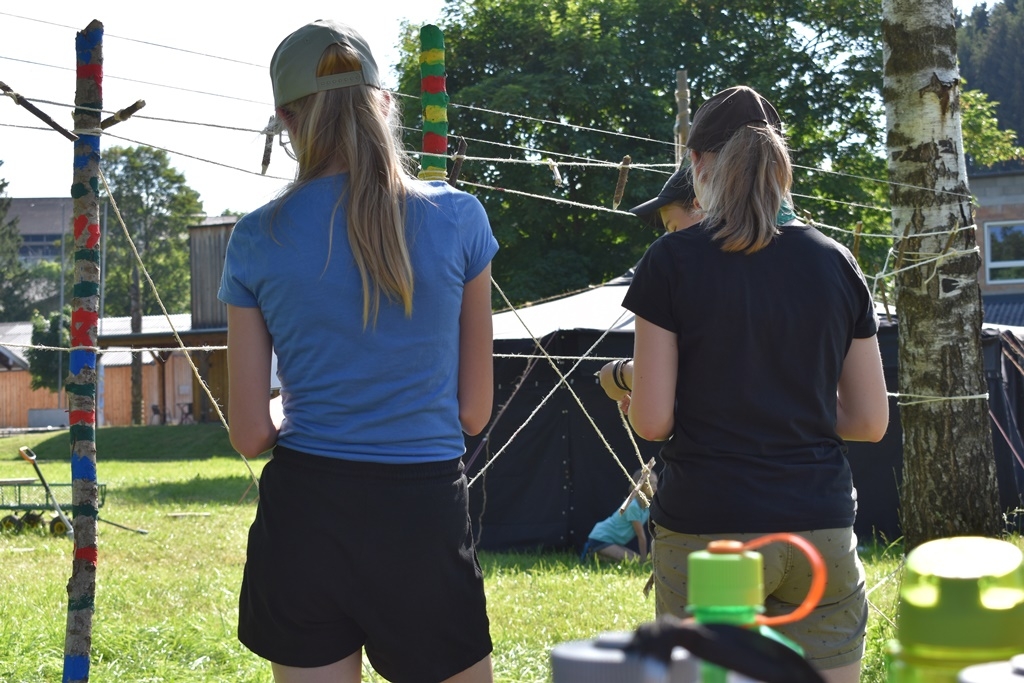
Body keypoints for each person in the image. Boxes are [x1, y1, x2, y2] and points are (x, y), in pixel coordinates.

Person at [218, 20, 498, 683]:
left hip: (305, 517)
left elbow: (251, 434)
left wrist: (301, 406)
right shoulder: (460, 218)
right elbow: (473, 412)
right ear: (385, 103)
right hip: (421, 514)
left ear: (286, 119)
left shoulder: (256, 238)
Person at [599, 85, 889, 683]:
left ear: (697, 164)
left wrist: (629, 387)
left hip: (709, 526)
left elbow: (652, 421)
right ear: (779, 162)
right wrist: (790, 408)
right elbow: (869, 421)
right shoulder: (837, 261)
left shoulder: (671, 259)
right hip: (818, 525)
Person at [581, 469, 659, 563]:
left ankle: (600, 555)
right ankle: (592, 552)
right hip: (600, 538)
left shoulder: (648, 506)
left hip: (613, 542)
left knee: (636, 560)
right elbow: (641, 536)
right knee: (635, 562)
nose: (654, 486)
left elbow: (652, 533)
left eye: (656, 482)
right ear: (640, 485)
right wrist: (644, 561)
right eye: (650, 482)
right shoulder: (633, 506)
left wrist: (652, 558)